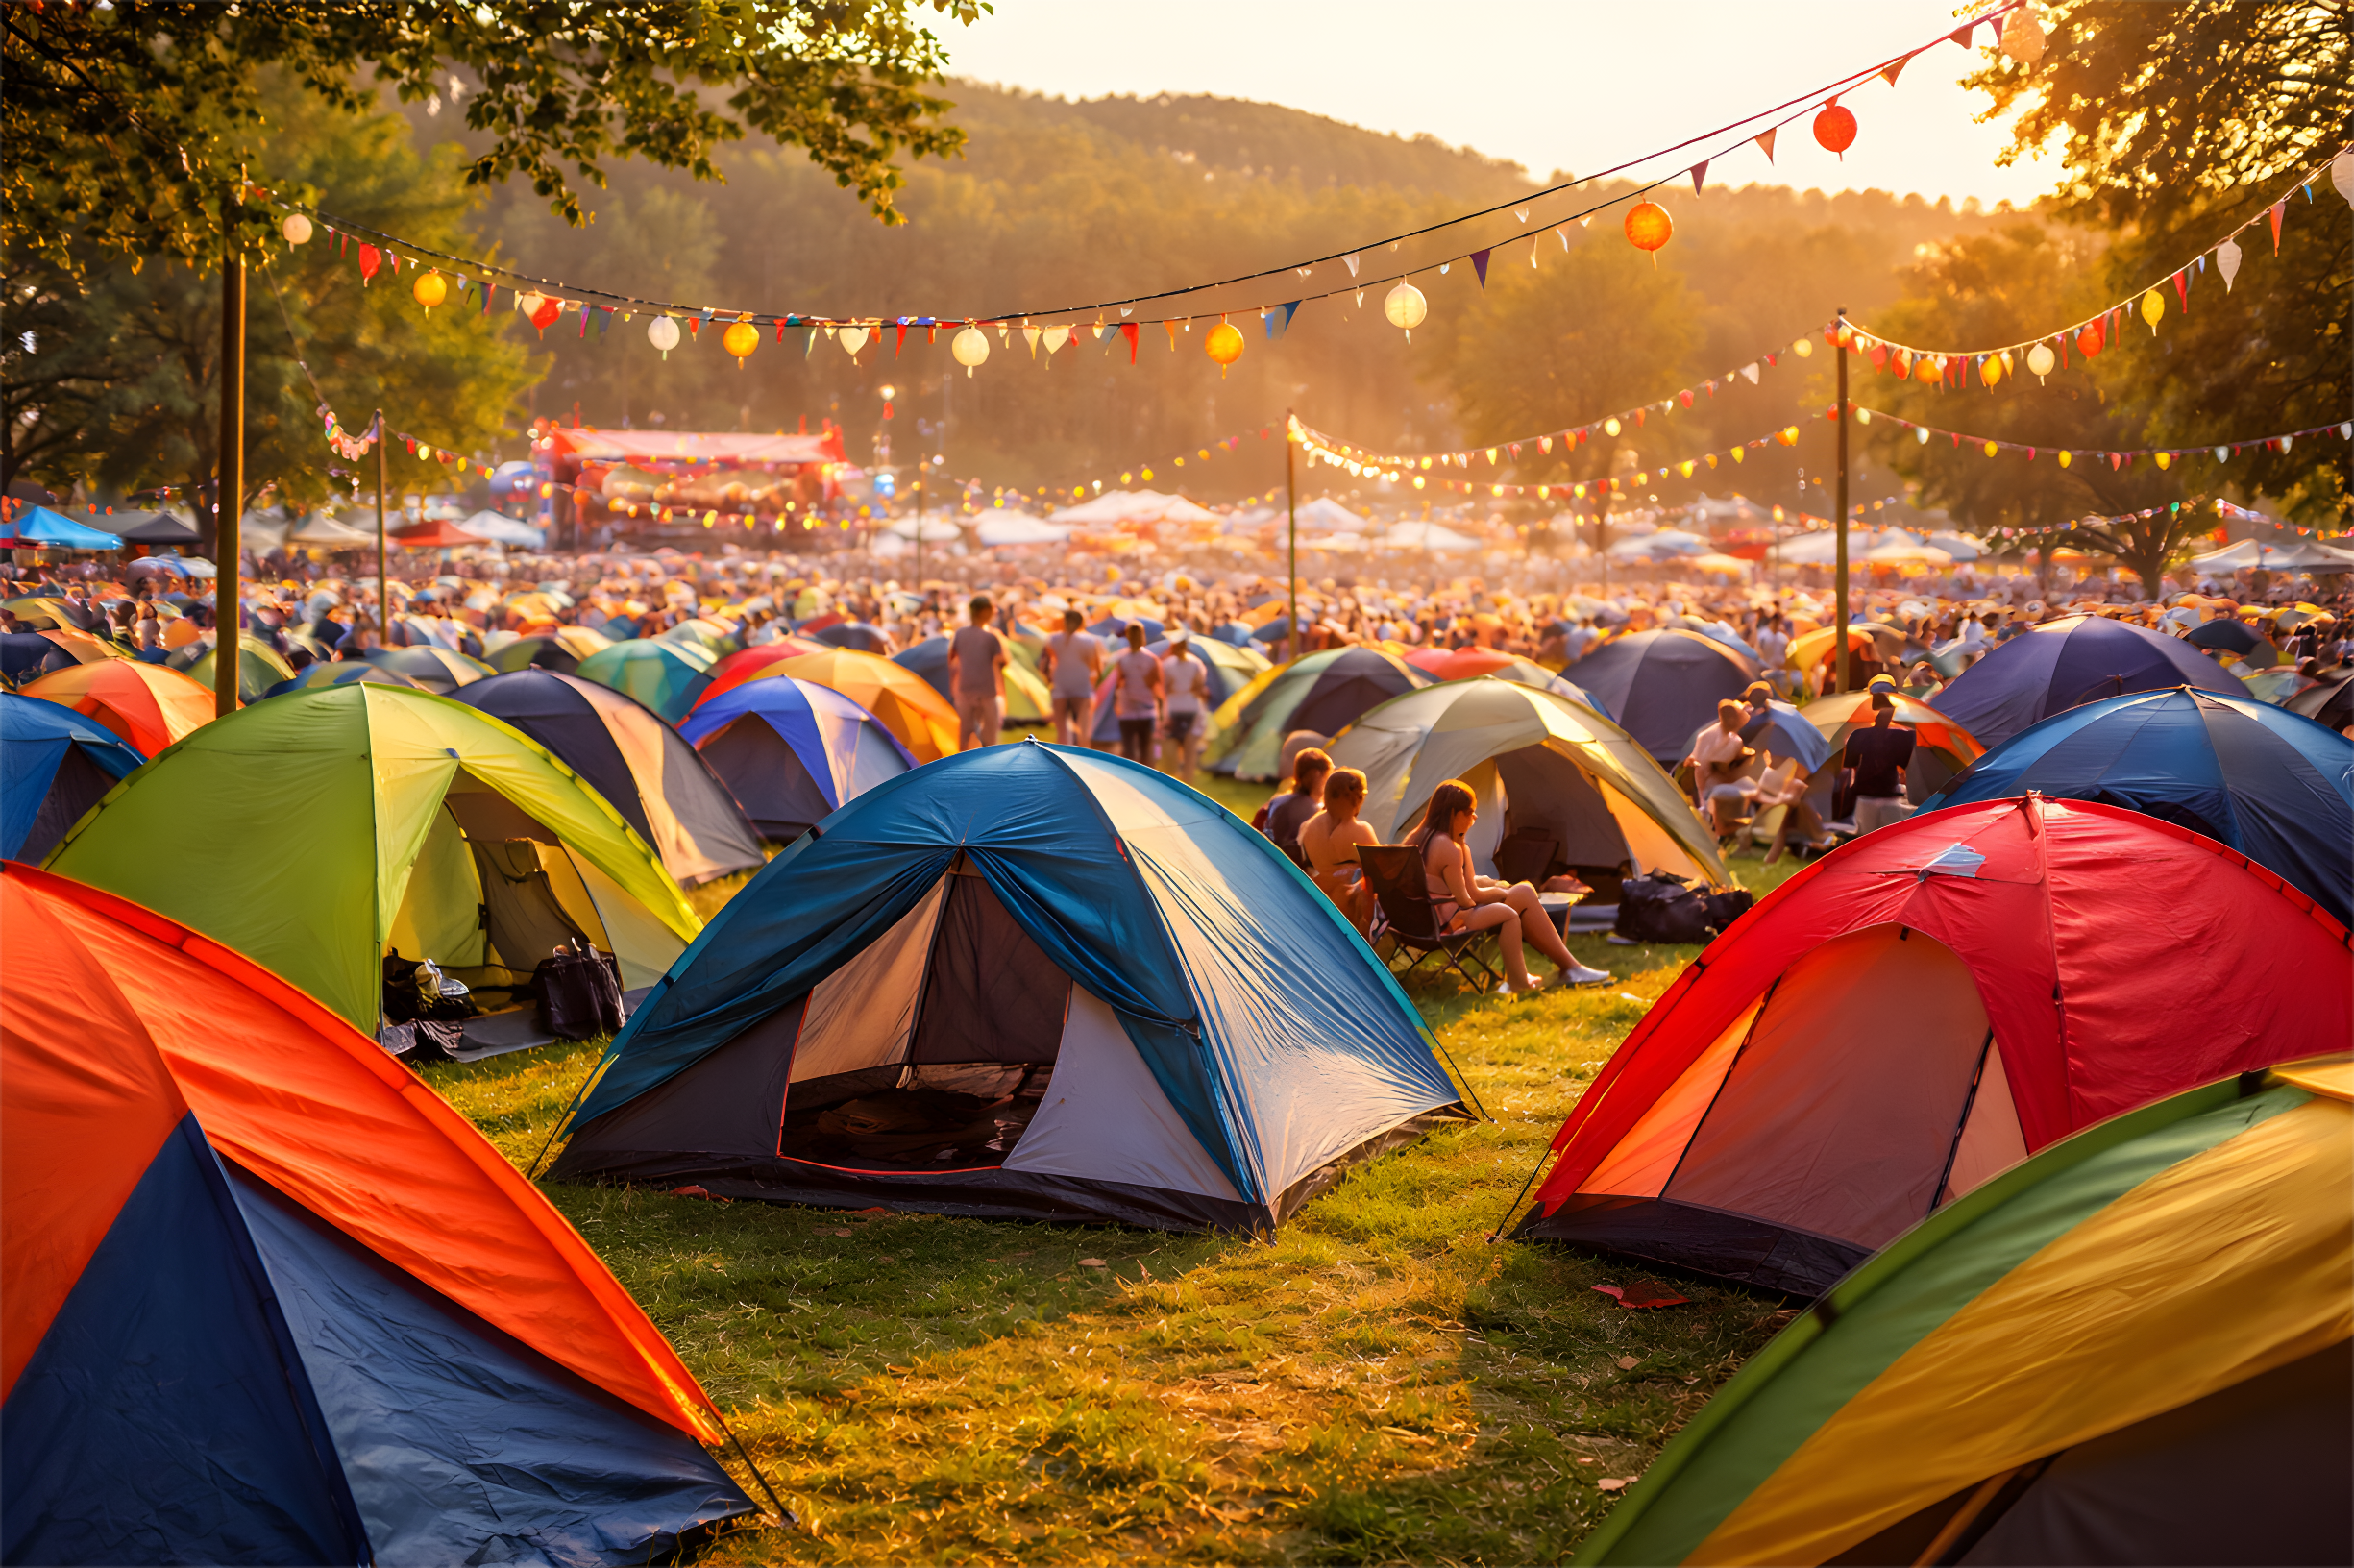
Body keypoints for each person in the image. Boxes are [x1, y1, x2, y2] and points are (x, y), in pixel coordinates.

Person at [1406, 780, 1609, 993]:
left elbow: (1442, 882)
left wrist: (1492, 885)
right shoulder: (1450, 847)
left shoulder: (1416, 838)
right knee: (1516, 902)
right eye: (1471, 812)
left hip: (1419, 921)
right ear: (1455, 814)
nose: (1474, 818)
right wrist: (1501, 892)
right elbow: (1468, 898)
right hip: (1448, 923)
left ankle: (1559, 968)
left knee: (1522, 892)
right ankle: (1530, 978)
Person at [1300, 765, 1378, 932]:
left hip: (1316, 896)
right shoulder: (1360, 830)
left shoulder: (1311, 824)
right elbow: (1380, 868)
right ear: (1357, 798)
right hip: (1346, 908)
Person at [1842, 692, 1916, 833]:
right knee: (1886, 838)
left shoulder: (1861, 735)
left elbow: (1851, 765)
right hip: (1872, 795)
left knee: (1882, 838)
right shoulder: (1901, 736)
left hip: (1877, 795)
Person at [945, 594, 1008, 752]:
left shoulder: (960, 634)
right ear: (986, 613)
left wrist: (954, 686)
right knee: (990, 738)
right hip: (987, 691)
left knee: (964, 736)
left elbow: (952, 661)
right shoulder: (991, 637)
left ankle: (962, 768)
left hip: (965, 688)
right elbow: (1003, 661)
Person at [1042, 607, 1104, 747]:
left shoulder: (1053, 639)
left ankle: (1062, 762)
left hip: (1060, 685)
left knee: (1062, 733)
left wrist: (1049, 681)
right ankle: (1083, 763)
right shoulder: (1089, 641)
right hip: (1082, 685)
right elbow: (1096, 665)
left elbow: (1045, 664)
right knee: (1083, 731)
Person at [1160, 628, 1209, 781]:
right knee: (1190, 747)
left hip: (1173, 707)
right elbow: (1200, 686)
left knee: (1171, 744)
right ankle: (1188, 780)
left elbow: (1164, 687)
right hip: (1191, 706)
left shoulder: (1167, 664)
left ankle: (1172, 778)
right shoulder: (1196, 663)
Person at [1111, 621, 1162, 764]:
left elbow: (1117, 683)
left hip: (1130, 709)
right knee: (1145, 749)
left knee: (1129, 750)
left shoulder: (1122, 658)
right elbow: (1155, 684)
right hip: (1144, 709)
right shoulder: (1151, 659)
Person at [1262, 747, 1330, 853]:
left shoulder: (1278, 800)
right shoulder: (1313, 810)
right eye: (1327, 776)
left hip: (1266, 851)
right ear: (1317, 774)